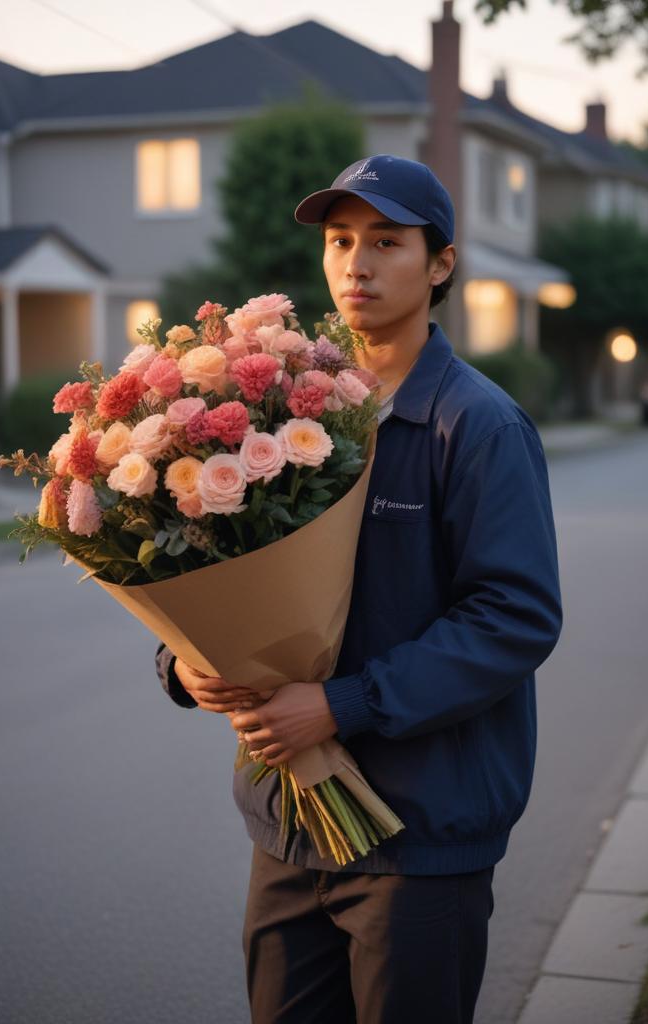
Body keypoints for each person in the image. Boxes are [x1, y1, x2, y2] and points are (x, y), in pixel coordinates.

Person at [154, 154, 563, 1023]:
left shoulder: (477, 424)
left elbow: (515, 617)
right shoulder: (286, 412)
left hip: (419, 840)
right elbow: (215, 566)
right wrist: (185, 662)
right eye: (341, 242)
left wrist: (343, 705)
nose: (356, 264)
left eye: (387, 241)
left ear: (441, 263)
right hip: (291, 825)